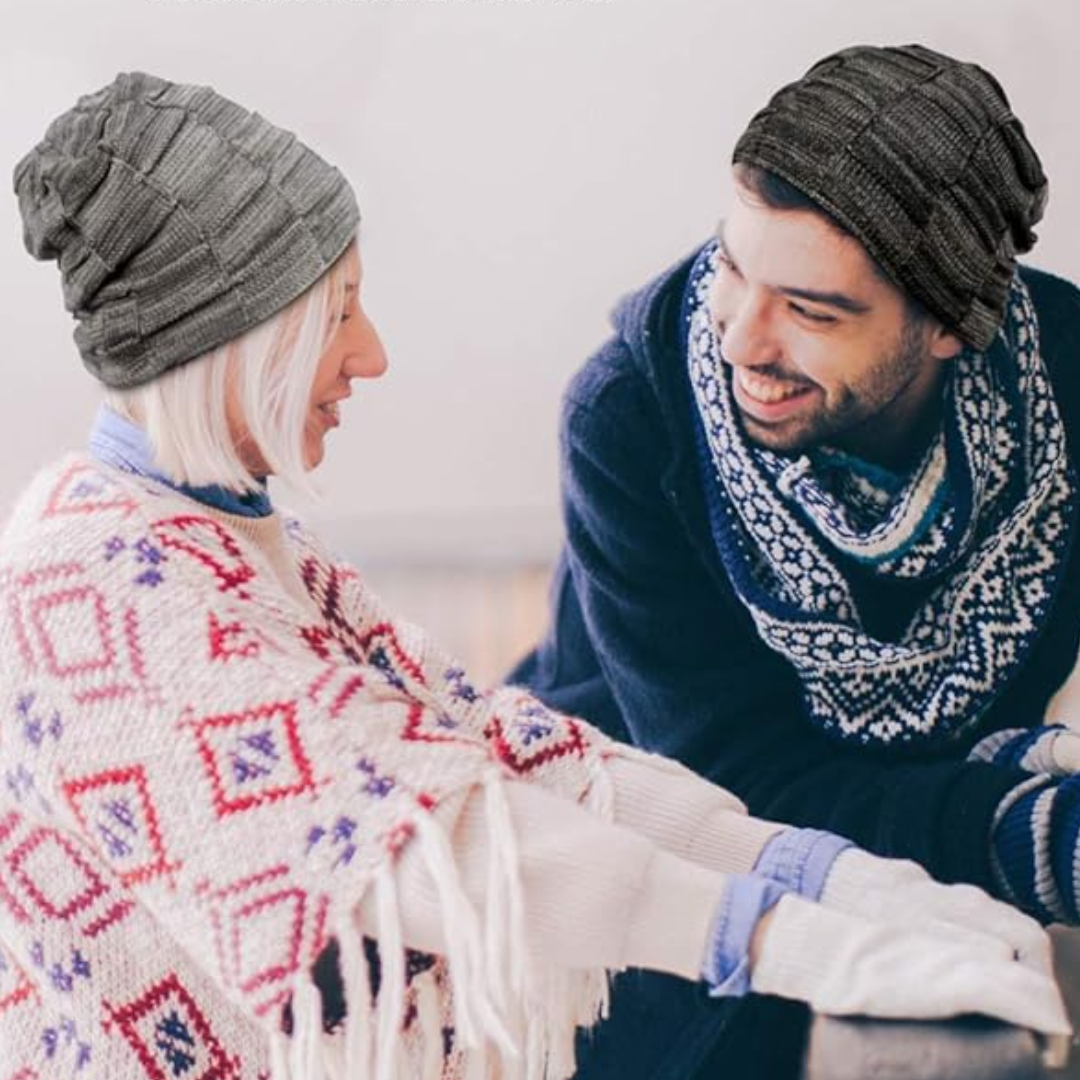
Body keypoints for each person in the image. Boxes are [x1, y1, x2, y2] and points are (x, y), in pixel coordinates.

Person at [0, 71, 1068, 1080]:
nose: (371, 354)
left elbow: (513, 754)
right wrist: (799, 940)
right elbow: (435, 846)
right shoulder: (85, 585)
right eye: (336, 312)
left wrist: (838, 877)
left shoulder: (244, 546)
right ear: (229, 335)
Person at [511, 41, 1080, 1080]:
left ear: (954, 325)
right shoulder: (632, 418)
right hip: (656, 884)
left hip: (939, 868)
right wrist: (1035, 837)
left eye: (811, 311)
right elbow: (731, 791)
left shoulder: (1066, 395)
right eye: (733, 268)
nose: (743, 340)